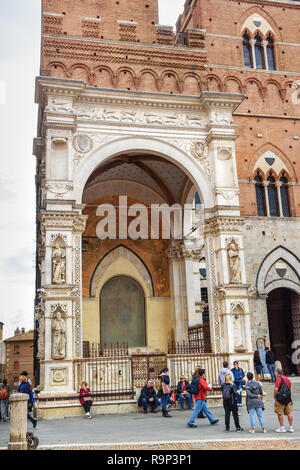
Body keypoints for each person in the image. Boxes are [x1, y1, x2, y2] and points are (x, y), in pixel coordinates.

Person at [274, 368, 295, 433]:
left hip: (280, 398)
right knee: (289, 413)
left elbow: (276, 389)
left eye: (275, 372)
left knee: (280, 413)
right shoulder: (287, 379)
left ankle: (282, 427)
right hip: (288, 398)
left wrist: (275, 396)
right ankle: (291, 427)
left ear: (277, 373)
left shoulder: (278, 379)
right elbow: (289, 389)